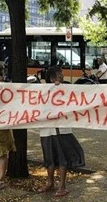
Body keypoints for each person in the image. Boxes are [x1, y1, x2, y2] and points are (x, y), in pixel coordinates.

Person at [36, 66, 85, 198]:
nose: (62, 79)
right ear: (52, 79)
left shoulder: (66, 90)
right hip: (46, 131)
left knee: (62, 159)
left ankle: (62, 186)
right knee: (49, 159)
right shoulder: (42, 92)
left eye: (62, 77)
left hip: (62, 130)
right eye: (59, 77)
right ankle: (50, 183)